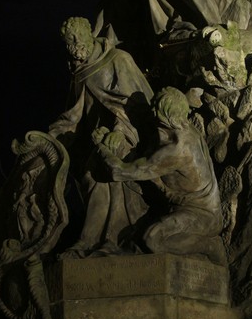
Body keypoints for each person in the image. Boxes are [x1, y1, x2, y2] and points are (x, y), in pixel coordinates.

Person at [49, 16, 154, 256]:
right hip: (97, 140)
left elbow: (136, 104)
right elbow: (73, 116)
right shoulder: (81, 72)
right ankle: (91, 241)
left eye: (77, 37)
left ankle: (114, 239)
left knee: (102, 170)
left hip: (130, 134)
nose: (74, 44)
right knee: (87, 172)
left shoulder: (118, 59)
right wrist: (53, 135)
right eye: (68, 42)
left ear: (90, 33)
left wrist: (118, 131)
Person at [97, 86, 227, 266]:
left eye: (155, 107)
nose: (151, 111)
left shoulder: (177, 149)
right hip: (179, 206)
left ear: (165, 113)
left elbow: (119, 171)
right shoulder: (185, 131)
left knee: (152, 238)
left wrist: (102, 148)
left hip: (202, 216)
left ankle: (210, 247)